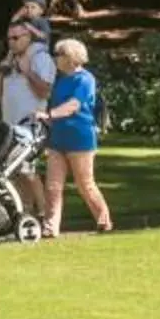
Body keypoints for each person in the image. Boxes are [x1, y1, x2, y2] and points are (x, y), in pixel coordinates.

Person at [44, 36, 112, 235]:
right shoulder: (61, 80)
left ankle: (103, 220)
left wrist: (51, 114)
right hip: (58, 137)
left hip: (80, 138)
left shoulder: (85, 79)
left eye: (59, 55)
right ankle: (50, 227)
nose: (55, 58)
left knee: (85, 185)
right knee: (53, 186)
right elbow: (55, 105)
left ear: (71, 58)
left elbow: (74, 105)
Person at [0, 18, 55, 219]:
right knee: (13, 171)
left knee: (26, 170)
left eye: (16, 37)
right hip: (10, 126)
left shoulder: (41, 58)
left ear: (29, 37)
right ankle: (26, 212)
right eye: (9, 39)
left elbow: (45, 92)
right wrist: (0, 74)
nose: (11, 42)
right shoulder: (10, 59)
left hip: (30, 126)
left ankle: (44, 213)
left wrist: (27, 72)